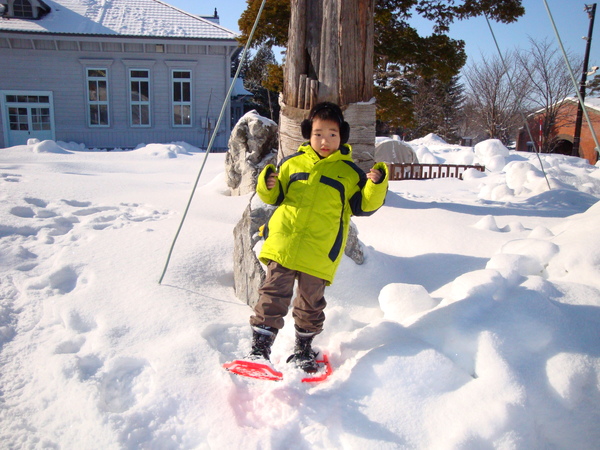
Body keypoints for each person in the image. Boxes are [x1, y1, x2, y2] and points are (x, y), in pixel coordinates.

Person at [248, 102, 389, 373]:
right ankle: (259, 350)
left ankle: (303, 350)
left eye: (332, 134)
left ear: (342, 137)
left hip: (320, 250)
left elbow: (365, 206)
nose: (325, 141)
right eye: (318, 134)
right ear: (308, 134)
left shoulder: (349, 174)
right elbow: (273, 196)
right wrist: (267, 184)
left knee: (311, 303)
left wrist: (375, 184)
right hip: (284, 243)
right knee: (273, 294)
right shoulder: (292, 163)